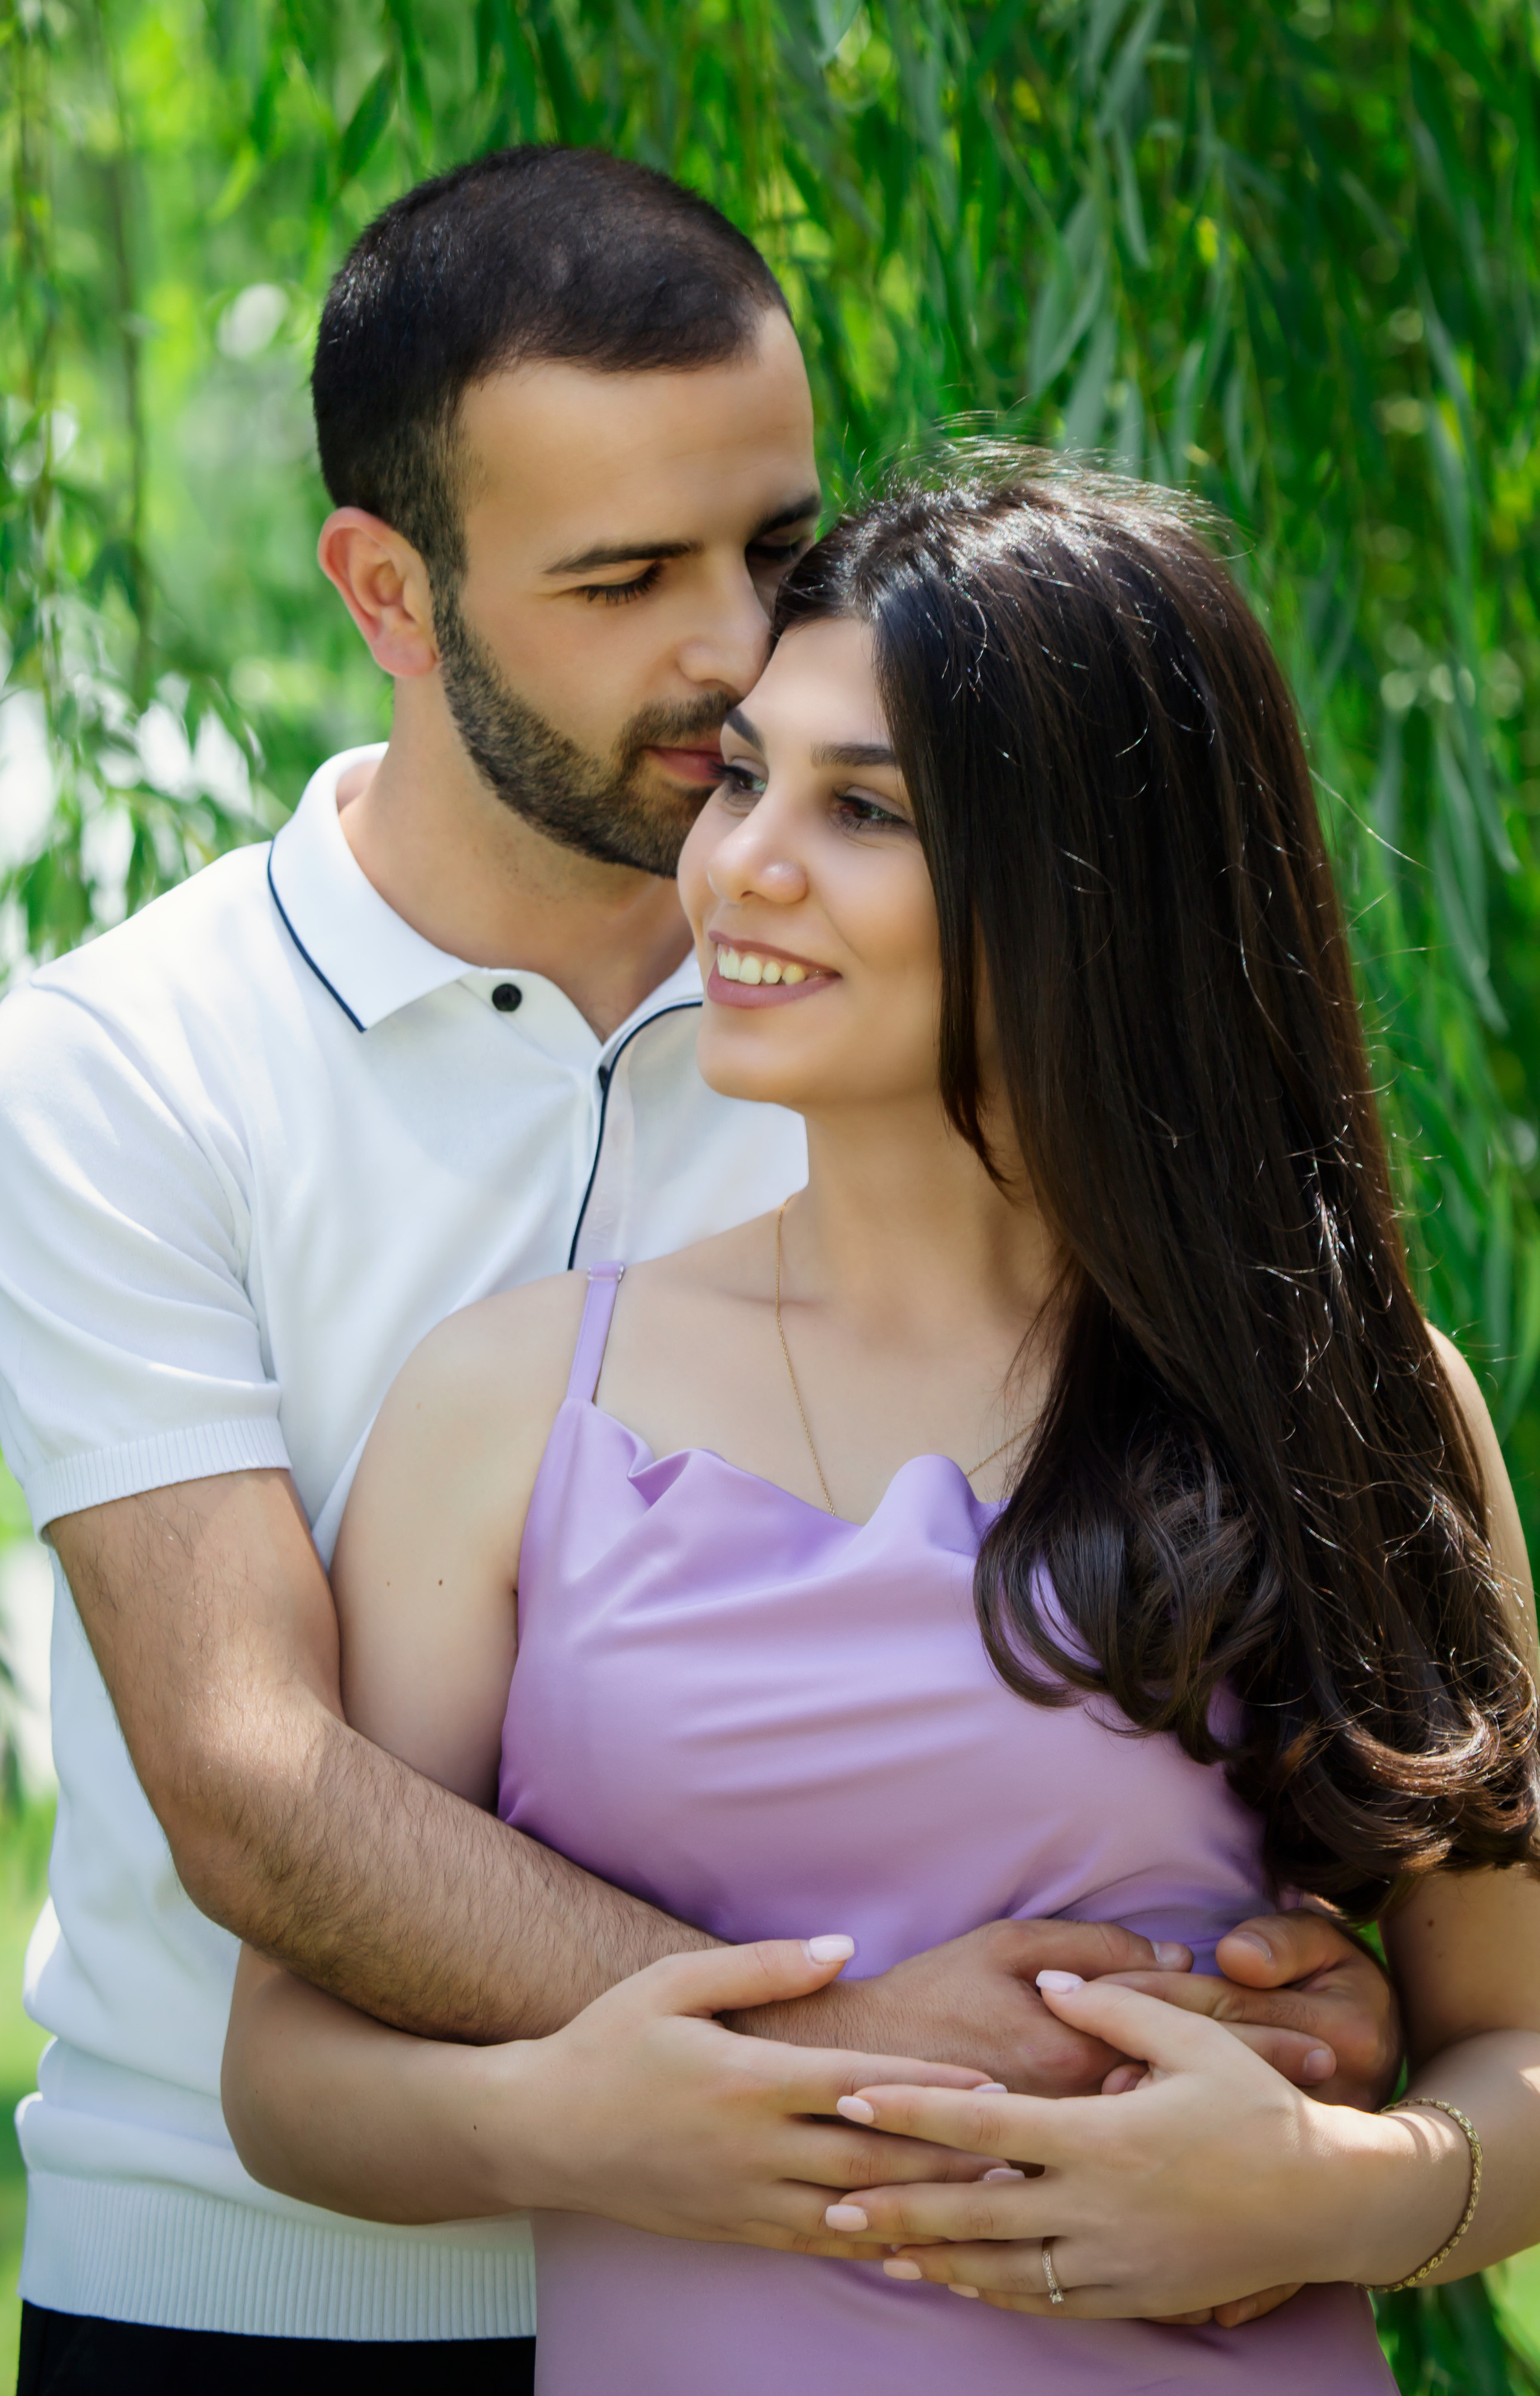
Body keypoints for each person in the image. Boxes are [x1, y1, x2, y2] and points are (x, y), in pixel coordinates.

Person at [0, 147, 1397, 2394]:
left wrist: (1279, 1989)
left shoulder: (906, 1000)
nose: (733, 645)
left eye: (775, 545)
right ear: (390, 592)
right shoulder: (126, 1072)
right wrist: (852, 2054)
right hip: (274, 2288)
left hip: (893, 2282)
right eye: (625, 576)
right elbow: (253, 1778)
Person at [221, 455, 1540, 2396]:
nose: (743, 862)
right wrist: (589, 2123)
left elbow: (1512, 2048)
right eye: (745, 775)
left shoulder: (1346, 1392)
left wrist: (1326, 2193)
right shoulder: (509, 1401)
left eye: (865, 810)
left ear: (1098, 886)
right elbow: (284, 2069)